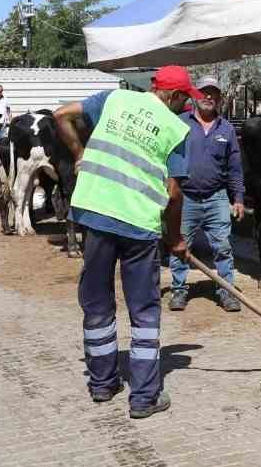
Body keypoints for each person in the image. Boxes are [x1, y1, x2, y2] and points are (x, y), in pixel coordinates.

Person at [52, 65, 198, 420]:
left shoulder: (113, 99)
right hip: (138, 225)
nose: (186, 108)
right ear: (174, 96)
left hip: (96, 215)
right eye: (185, 100)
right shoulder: (176, 128)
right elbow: (174, 193)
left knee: (98, 301)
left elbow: (60, 115)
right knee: (144, 310)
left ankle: (102, 383)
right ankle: (144, 396)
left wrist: (78, 153)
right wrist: (176, 237)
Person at [168, 76, 246, 313]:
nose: (208, 96)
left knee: (223, 246)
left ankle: (226, 292)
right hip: (185, 197)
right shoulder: (179, 123)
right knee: (180, 245)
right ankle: (179, 290)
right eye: (204, 92)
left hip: (217, 196)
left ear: (220, 98)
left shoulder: (227, 129)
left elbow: (235, 168)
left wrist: (239, 198)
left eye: (213, 92)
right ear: (195, 95)